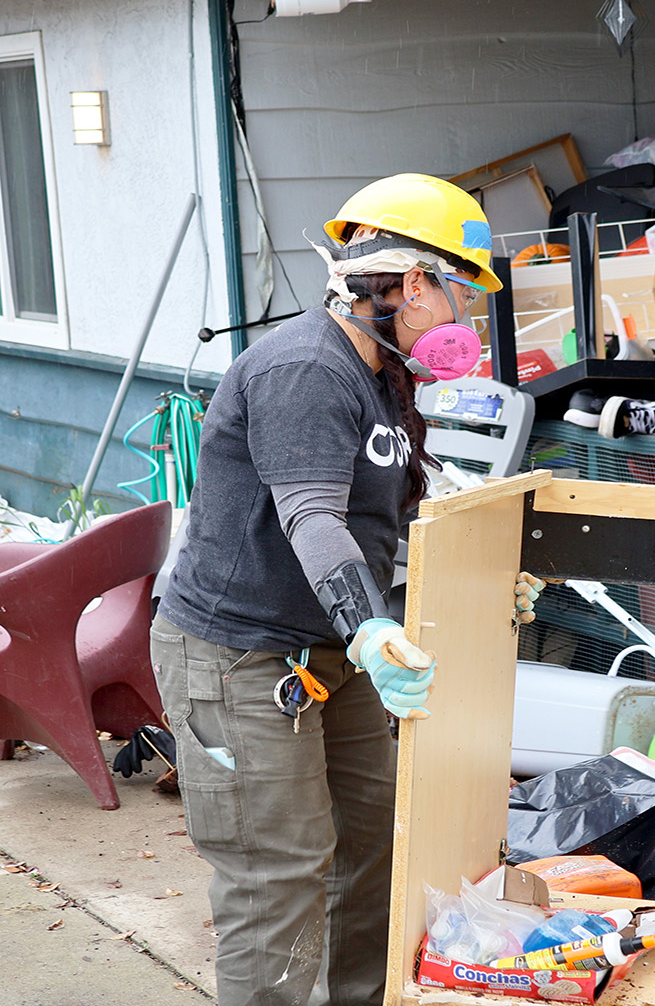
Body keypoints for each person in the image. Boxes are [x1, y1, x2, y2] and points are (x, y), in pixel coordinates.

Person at [151, 174, 539, 1006]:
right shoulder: (304, 371)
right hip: (240, 659)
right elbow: (314, 519)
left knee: (375, 845)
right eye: (459, 292)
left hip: (331, 649)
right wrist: (371, 625)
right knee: (278, 876)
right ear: (404, 284)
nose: (465, 321)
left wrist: (488, 580)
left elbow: (393, 511)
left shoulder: (382, 373)